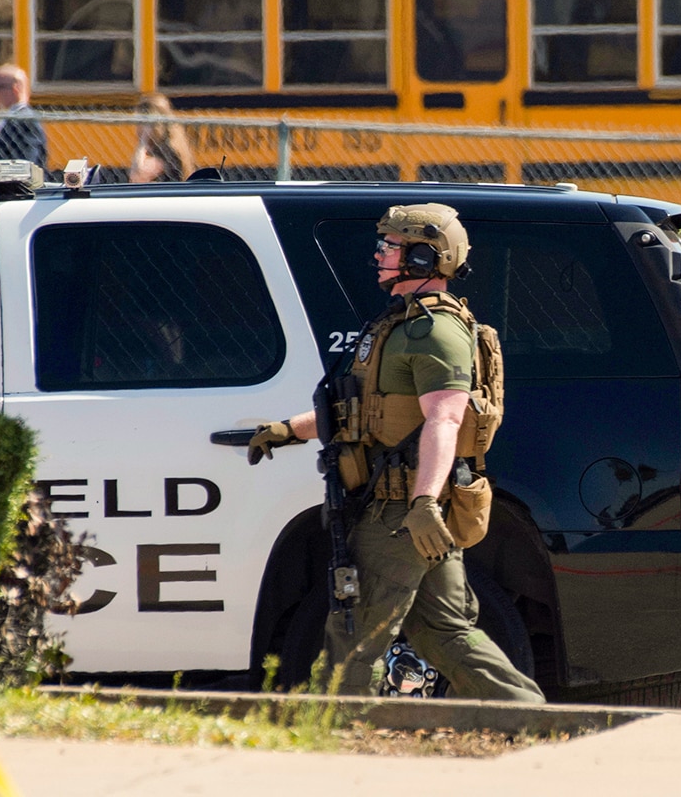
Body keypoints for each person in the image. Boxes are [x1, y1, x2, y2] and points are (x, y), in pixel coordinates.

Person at [246, 204, 544, 703]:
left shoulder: (435, 331)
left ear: (426, 258)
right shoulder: (403, 326)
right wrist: (287, 431)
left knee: (353, 637)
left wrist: (425, 504)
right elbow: (370, 413)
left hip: (401, 515)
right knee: (444, 633)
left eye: (391, 246)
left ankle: (331, 742)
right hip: (406, 512)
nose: (380, 254)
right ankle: (532, 716)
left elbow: (445, 418)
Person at [130, 93, 193, 183]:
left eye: (140, 122)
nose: (137, 127)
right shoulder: (172, 144)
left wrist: (143, 142)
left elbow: (136, 178)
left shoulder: (163, 151)